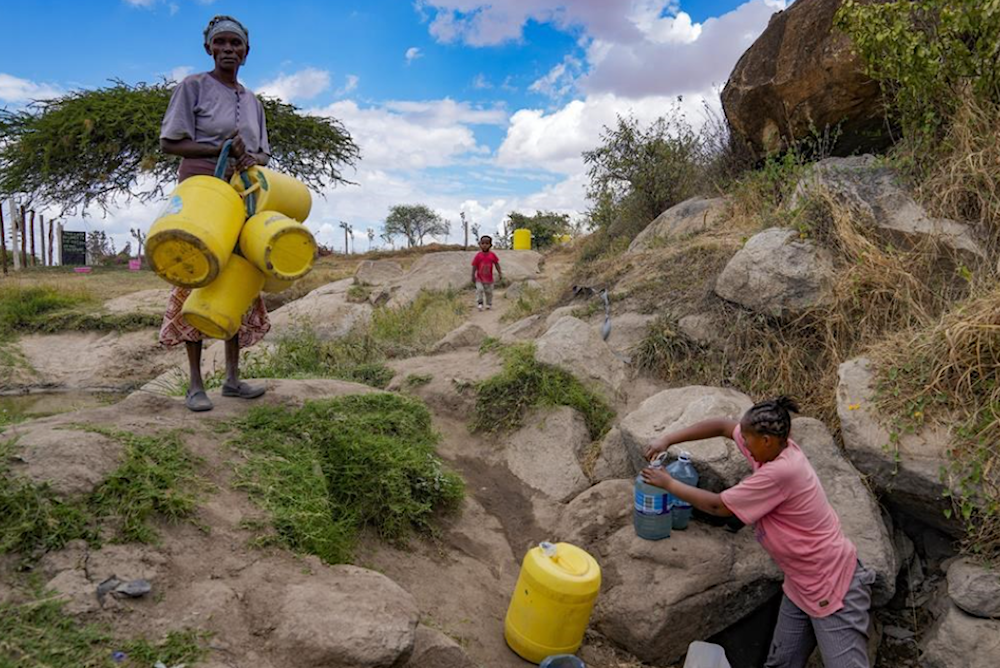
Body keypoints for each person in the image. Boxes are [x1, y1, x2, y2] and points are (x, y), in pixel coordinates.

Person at [642, 397, 875, 668]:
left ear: (766, 440)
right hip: (801, 583)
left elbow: (719, 506)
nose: (745, 446)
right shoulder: (769, 448)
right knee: (781, 662)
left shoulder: (783, 471)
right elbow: (721, 426)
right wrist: (667, 439)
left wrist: (668, 483)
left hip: (832, 584)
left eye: (749, 441)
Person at [158, 15, 271, 412]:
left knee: (235, 281)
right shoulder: (193, 87)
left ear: (246, 51)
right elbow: (172, 142)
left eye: (235, 44)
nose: (228, 49)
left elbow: (262, 156)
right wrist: (220, 148)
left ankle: (233, 379)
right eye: (220, 43)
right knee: (195, 276)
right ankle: (194, 384)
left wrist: (248, 156)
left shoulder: (253, 101)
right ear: (209, 48)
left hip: (241, 199)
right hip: (202, 197)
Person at [471, 235, 503, 311]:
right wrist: (472, 275)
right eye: (483, 243)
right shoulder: (478, 256)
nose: (484, 245)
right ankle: (480, 303)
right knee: (480, 290)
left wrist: (500, 273)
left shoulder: (492, 255)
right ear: (480, 244)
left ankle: (489, 304)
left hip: (489, 279)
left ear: (490, 245)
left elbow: (496, 264)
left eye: (487, 243)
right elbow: (474, 265)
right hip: (479, 278)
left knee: (489, 292)